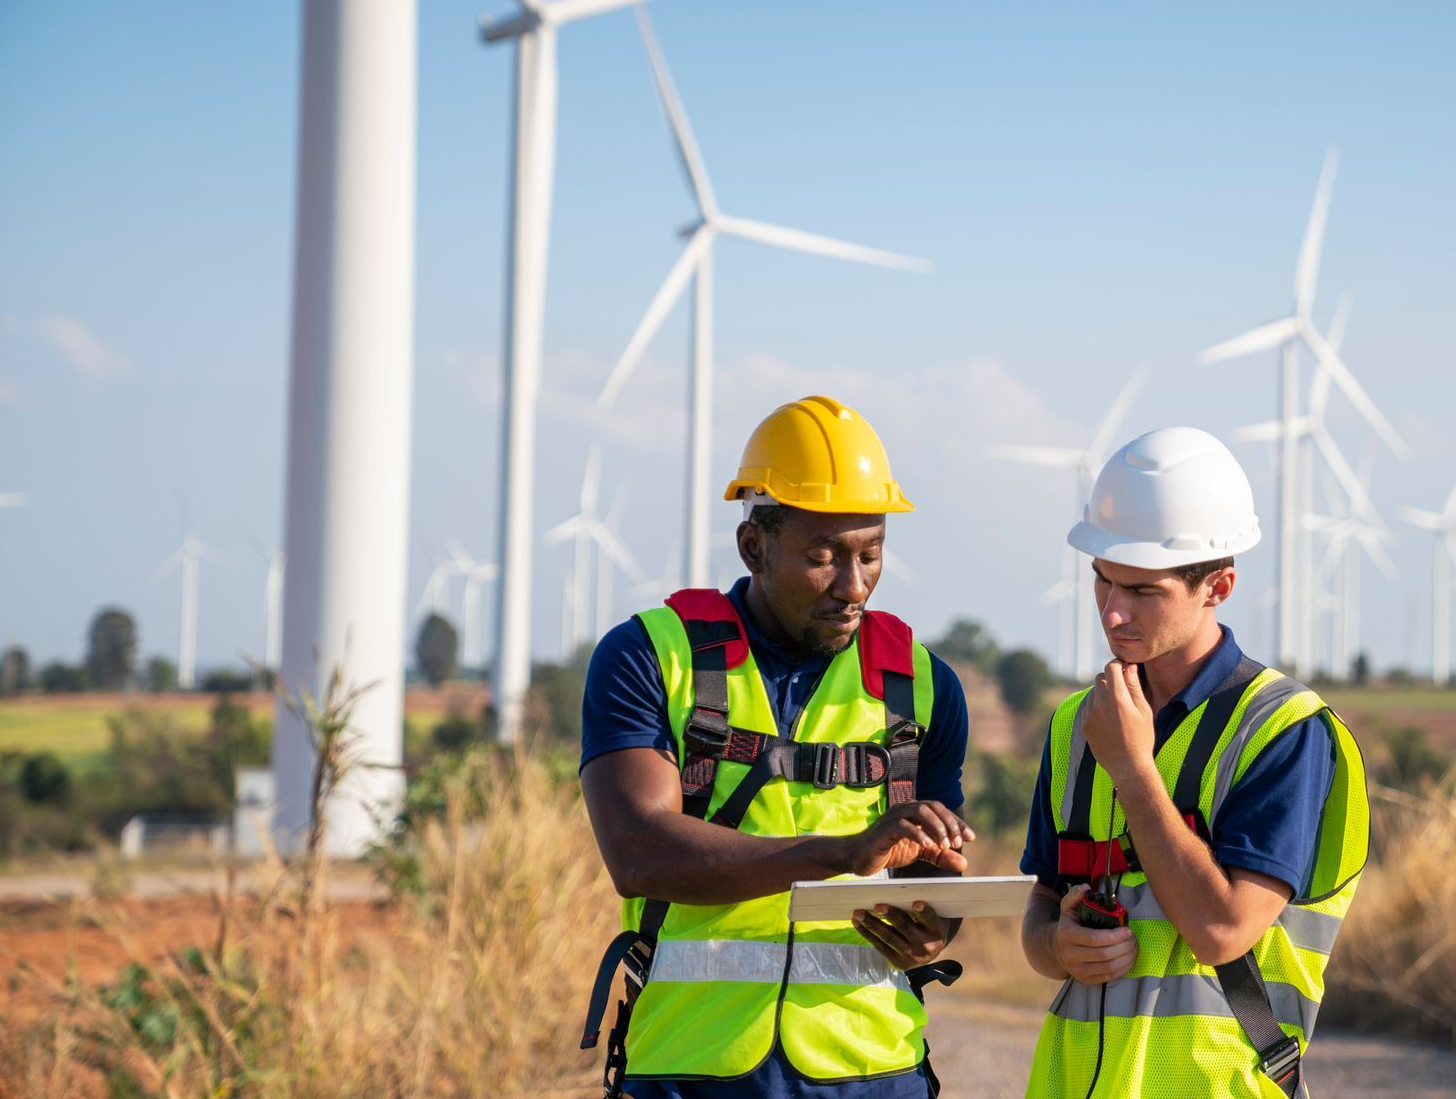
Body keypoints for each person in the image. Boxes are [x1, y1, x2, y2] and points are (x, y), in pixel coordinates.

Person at [579, 396, 974, 1098]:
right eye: (823, 557)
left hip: (875, 1073)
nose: (853, 586)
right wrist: (843, 854)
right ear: (754, 546)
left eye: (872, 553)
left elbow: (938, 884)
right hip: (691, 1068)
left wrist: (937, 925)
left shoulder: (924, 685)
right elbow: (638, 852)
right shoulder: (650, 656)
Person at [1019, 426, 1370, 1098]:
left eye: (1144, 591)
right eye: (1101, 580)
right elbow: (1038, 911)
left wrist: (1131, 766)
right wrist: (1057, 946)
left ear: (1219, 585)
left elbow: (1220, 929)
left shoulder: (1285, 731)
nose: (1113, 612)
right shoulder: (1074, 724)